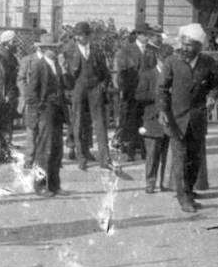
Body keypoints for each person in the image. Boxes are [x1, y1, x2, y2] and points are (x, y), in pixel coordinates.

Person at [157, 23, 218, 213]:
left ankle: (189, 192)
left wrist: (212, 96)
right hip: (176, 119)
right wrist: (162, 110)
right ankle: (183, 198)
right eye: (182, 43)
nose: (184, 48)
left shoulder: (208, 63)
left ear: (199, 46)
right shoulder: (172, 62)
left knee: (195, 160)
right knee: (180, 159)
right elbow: (161, 89)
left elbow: (215, 85)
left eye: (189, 45)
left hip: (197, 119)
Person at [25, 33, 71, 196]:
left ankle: (54, 185)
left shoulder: (58, 65)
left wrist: (64, 71)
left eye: (55, 48)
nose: (53, 51)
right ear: (43, 49)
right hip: (46, 112)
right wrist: (40, 110)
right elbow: (31, 94)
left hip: (57, 112)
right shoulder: (38, 65)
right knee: (45, 149)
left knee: (57, 150)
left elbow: (67, 85)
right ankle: (40, 186)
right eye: (49, 48)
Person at [63, 21, 112, 171]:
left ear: (88, 36)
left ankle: (105, 159)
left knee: (100, 123)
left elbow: (105, 72)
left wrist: (103, 85)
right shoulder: (69, 51)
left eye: (83, 35)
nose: (80, 38)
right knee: (77, 123)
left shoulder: (97, 51)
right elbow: (66, 75)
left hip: (95, 88)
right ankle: (81, 158)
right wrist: (71, 90)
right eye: (77, 35)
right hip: (78, 87)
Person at [113, 23, 154, 161]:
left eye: (149, 35)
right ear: (137, 35)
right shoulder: (127, 50)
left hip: (146, 93)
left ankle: (143, 150)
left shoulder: (151, 51)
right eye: (145, 35)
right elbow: (122, 74)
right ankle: (129, 151)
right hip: (131, 93)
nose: (147, 38)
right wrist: (125, 91)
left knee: (144, 122)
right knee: (130, 122)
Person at [138, 43, 174, 193]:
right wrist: (160, 95)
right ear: (160, 60)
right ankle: (150, 183)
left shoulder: (174, 76)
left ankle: (165, 183)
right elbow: (139, 95)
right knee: (152, 154)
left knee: (168, 154)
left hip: (169, 120)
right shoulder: (147, 75)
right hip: (152, 119)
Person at [16, 31, 46, 170]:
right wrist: (27, 95)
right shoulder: (28, 60)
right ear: (39, 47)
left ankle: (43, 158)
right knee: (32, 130)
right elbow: (21, 79)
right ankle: (29, 159)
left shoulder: (52, 60)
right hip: (32, 101)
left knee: (46, 130)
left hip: (46, 101)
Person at [0, 31, 20, 164]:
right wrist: (7, 95)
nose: (15, 43)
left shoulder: (6, 55)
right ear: (7, 42)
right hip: (7, 95)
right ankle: (4, 154)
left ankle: (4, 153)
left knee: (6, 126)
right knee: (6, 125)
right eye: (13, 41)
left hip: (7, 94)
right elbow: (3, 77)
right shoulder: (4, 56)